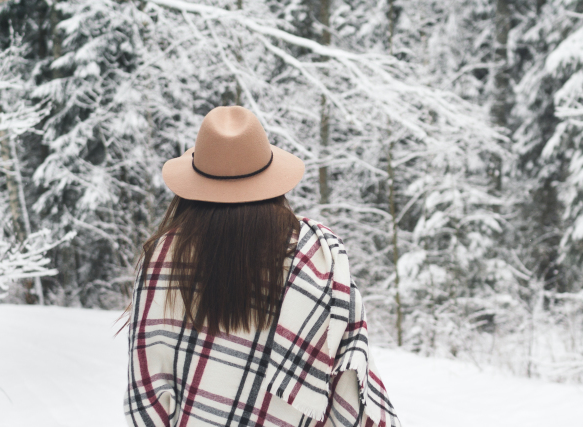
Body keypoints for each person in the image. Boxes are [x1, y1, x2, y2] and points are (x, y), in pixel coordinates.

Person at [124, 106, 400, 427]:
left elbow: (145, 396)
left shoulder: (160, 258)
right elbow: (351, 385)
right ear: (272, 181)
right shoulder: (318, 259)